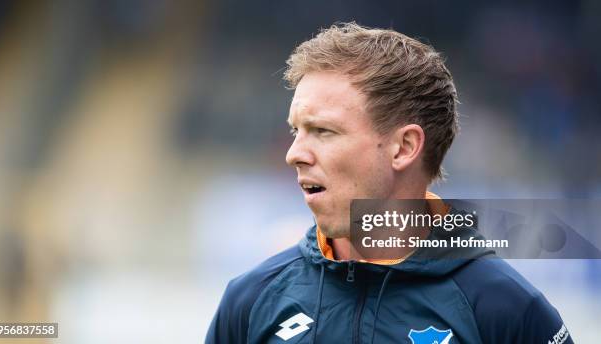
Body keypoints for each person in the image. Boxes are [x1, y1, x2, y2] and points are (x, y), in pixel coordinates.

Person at [205, 22, 573, 344]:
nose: (294, 154)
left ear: (404, 148)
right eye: (296, 131)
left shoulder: (507, 311)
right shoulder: (251, 301)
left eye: (323, 131)